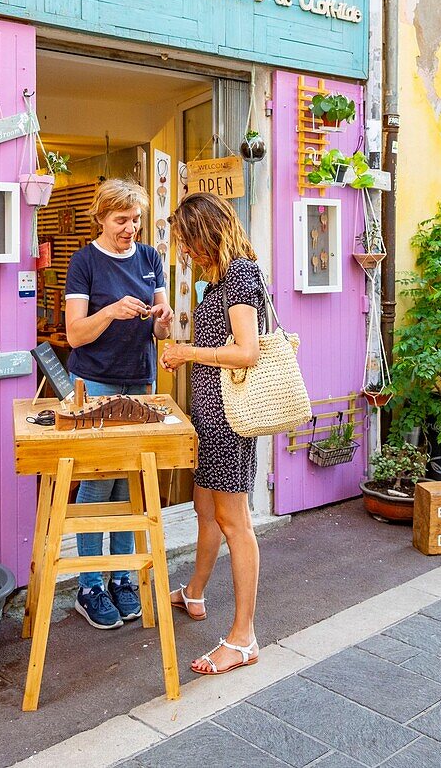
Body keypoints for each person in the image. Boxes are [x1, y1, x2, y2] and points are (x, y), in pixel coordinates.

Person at [160, 192, 264, 675]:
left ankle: (243, 638)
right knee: (206, 509)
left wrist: (187, 353)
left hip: (230, 418)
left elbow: (247, 353)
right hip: (210, 415)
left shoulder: (241, 273)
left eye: (186, 240)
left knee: (234, 521)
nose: (184, 252)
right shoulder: (218, 280)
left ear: (207, 233)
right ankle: (195, 593)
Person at [65, 179, 174, 629]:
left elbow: (161, 330)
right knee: (97, 483)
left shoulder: (150, 258)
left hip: (140, 381)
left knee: (131, 483)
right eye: (121, 220)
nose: (130, 228)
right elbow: (74, 335)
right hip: (93, 383)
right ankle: (90, 585)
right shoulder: (84, 261)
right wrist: (110, 311)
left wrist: (163, 319)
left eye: (135, 220)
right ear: (102, 218)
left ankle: (123, 579)